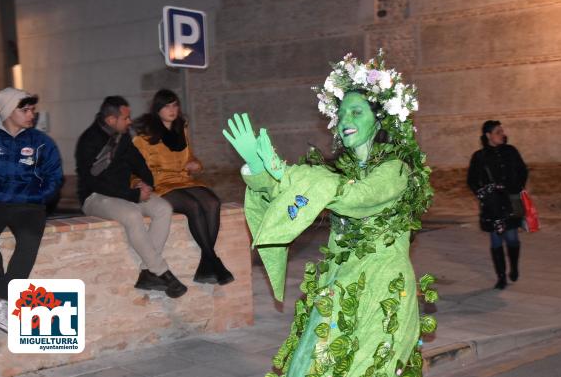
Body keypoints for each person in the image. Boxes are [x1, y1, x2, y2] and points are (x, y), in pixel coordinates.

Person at [223, 51, 437, 376]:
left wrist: (283, 170)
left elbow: (356, 197)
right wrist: (257, 166)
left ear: (380, 118)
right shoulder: (339, 169)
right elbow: (294, 193)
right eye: (341, 113)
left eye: (356, 111)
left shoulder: (396, 170)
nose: (345, 120)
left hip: (380, 288)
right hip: (340, 285)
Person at [75, 95, 186, 298]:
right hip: (95, 197)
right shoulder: (89, 141)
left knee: (163, 209)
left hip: (126, 192)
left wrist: (147, 183)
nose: (130, 121)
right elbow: (94, 182)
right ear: (111, 120)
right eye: (125, 118)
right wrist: (133, 195)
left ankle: (147, 272)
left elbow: (138, 161)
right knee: (133, 215)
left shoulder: (122, 136)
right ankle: (162, 271)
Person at [132, 89, 233, 285]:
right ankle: (212, 261)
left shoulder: (181, 130)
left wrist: (196, 164)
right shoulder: (144, 137)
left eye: (175, 105)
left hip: (184, 180)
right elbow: (133, 167)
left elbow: (191, 158)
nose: (172, 110)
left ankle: (207, 262)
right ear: (157, 109)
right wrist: (138, 183)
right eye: (167, 106)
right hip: (160, 183)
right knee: (193, 206)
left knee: (212, 202)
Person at [0, 87, 63, 332]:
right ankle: (5, 297)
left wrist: (38, 197)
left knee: (30, 239)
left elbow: (54, 176)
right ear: (9, 110)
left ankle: (3, 302)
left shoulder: (41, 142)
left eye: (33, 109)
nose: (32, 114)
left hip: (29, 205)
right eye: (26, 109)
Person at [467, 120, 528, 290]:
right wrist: (482, 194)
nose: (502, 134)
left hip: (510, 200)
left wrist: (516, 187)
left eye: (502, 131)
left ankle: (514, 267)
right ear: (488, 135)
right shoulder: (479, 156)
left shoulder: (511, 151)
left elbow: (523, 171)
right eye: (498, 132)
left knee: (512, 237)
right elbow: (472, 180)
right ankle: (501, 277)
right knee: (495, 240)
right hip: (492, 204)